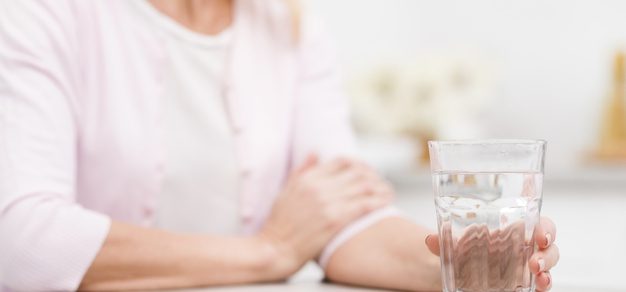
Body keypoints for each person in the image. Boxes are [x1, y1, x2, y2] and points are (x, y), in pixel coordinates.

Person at [0, 0, 559, 291]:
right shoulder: (42, 14)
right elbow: (19, 238)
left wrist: (461, 261)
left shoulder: (287, 25)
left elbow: (345, 219)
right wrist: (268, 252)